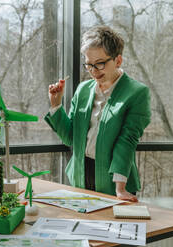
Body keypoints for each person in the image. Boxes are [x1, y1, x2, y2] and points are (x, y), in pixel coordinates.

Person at [45, 25, 151, 202]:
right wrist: (56, 104)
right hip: (80, 176)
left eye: (100, 63)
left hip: (113, 180)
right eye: (89, 64)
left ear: (118, 61)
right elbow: (71, 137)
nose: (94, 71)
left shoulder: (137, 93)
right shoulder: (83, 90)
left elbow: (127, 141)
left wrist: (120, 189)